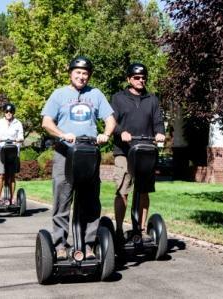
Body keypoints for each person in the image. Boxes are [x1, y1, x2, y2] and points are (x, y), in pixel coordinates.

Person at [41, 56, 116, 260]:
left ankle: (88, 244)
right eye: (78, 72)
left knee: (90, 201)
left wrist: (106, 134)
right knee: (62, 199)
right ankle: (60, 245)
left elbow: (110, 119)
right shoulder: (59, 94)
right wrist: (62, 134)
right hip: (65, 154)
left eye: (85, 73)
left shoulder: (96, 94)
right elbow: (47, 122)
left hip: (90, 153)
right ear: (70, 73)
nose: (81, 76)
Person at [111, 63, 165, 243]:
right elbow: (112, 123)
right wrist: (121, 132)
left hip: (145, 152)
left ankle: (140, 230)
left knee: (143, 191)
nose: (140, 80)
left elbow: (158, 122)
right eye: (136, 77)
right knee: (123, 191)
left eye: (143, 77)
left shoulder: (152, 99)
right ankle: (118, 230)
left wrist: (160, 133)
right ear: (129, 79)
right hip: (124, 152)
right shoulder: (118, 98)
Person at [0, 103, 24, 205]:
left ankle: (12, 198)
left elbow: (21, 136)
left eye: (10, 111)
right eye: (6, 111)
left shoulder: (18, 123)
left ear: (13, 112)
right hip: (1, 150)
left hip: (13, 151)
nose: (8, 113)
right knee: (1, 175)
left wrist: (19, 139)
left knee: (12, 175)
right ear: (4, 112)